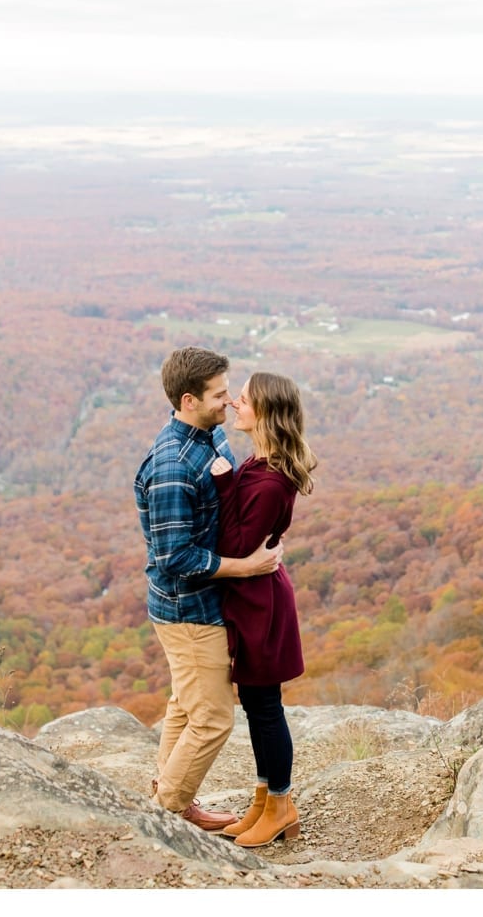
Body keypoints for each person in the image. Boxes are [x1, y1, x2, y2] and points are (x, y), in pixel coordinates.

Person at [134, 346, 284, 832]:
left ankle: (175, 796)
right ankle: (165, 815)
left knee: (185, 704)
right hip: (187, 609)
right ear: (188, 400)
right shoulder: (172, 466)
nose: (229, 402)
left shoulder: (209, 436)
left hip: (207, 602)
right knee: (214, 718)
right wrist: (246, 567)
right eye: (220, 395)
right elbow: (174, 558)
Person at [208, 371, 317, 847]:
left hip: (261, 603)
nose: (235, 403)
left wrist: (225, 485)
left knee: (266, 707)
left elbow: (235, 543)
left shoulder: (267, 480)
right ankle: (263, 801)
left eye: (245, 400)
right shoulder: (263, 464)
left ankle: (281, 804)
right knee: (256, 705)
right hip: (254, 596)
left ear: (267, 413)